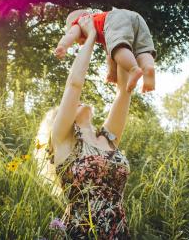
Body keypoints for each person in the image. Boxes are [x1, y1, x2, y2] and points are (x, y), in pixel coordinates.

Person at [46, 15, 132, 239]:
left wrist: (116, 38)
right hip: (80, 233)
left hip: (117, 232)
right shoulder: (64, 139)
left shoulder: (108, 138)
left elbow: (124, 91)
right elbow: (74, 84)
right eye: (75, 104)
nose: (79, 101)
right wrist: (91, 36)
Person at [54, 8, 156, 93]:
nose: (80, 44)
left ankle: (133, 69)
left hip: (115, 17)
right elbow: (110, 54)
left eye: (78, 41)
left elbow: (71, 34)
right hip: (136, 17)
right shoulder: (104, 31)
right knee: (142, 50)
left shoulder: (80, 22)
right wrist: (112, 73)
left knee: (118, 49)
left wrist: (63, 46)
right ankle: (148, 68)